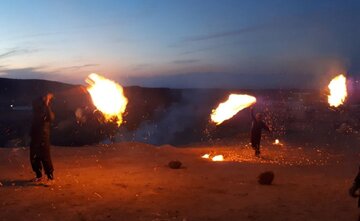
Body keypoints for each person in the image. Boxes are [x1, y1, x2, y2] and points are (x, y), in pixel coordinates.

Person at [30, 93, 55, 181]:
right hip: (35, 137)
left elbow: (51, 118)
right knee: (34, 157)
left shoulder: (47, 112)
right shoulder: (35, 112)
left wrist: (47, 103)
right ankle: (38, 175)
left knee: (45, 157)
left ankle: (50, 176)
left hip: (43, 137)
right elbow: (33, 124)